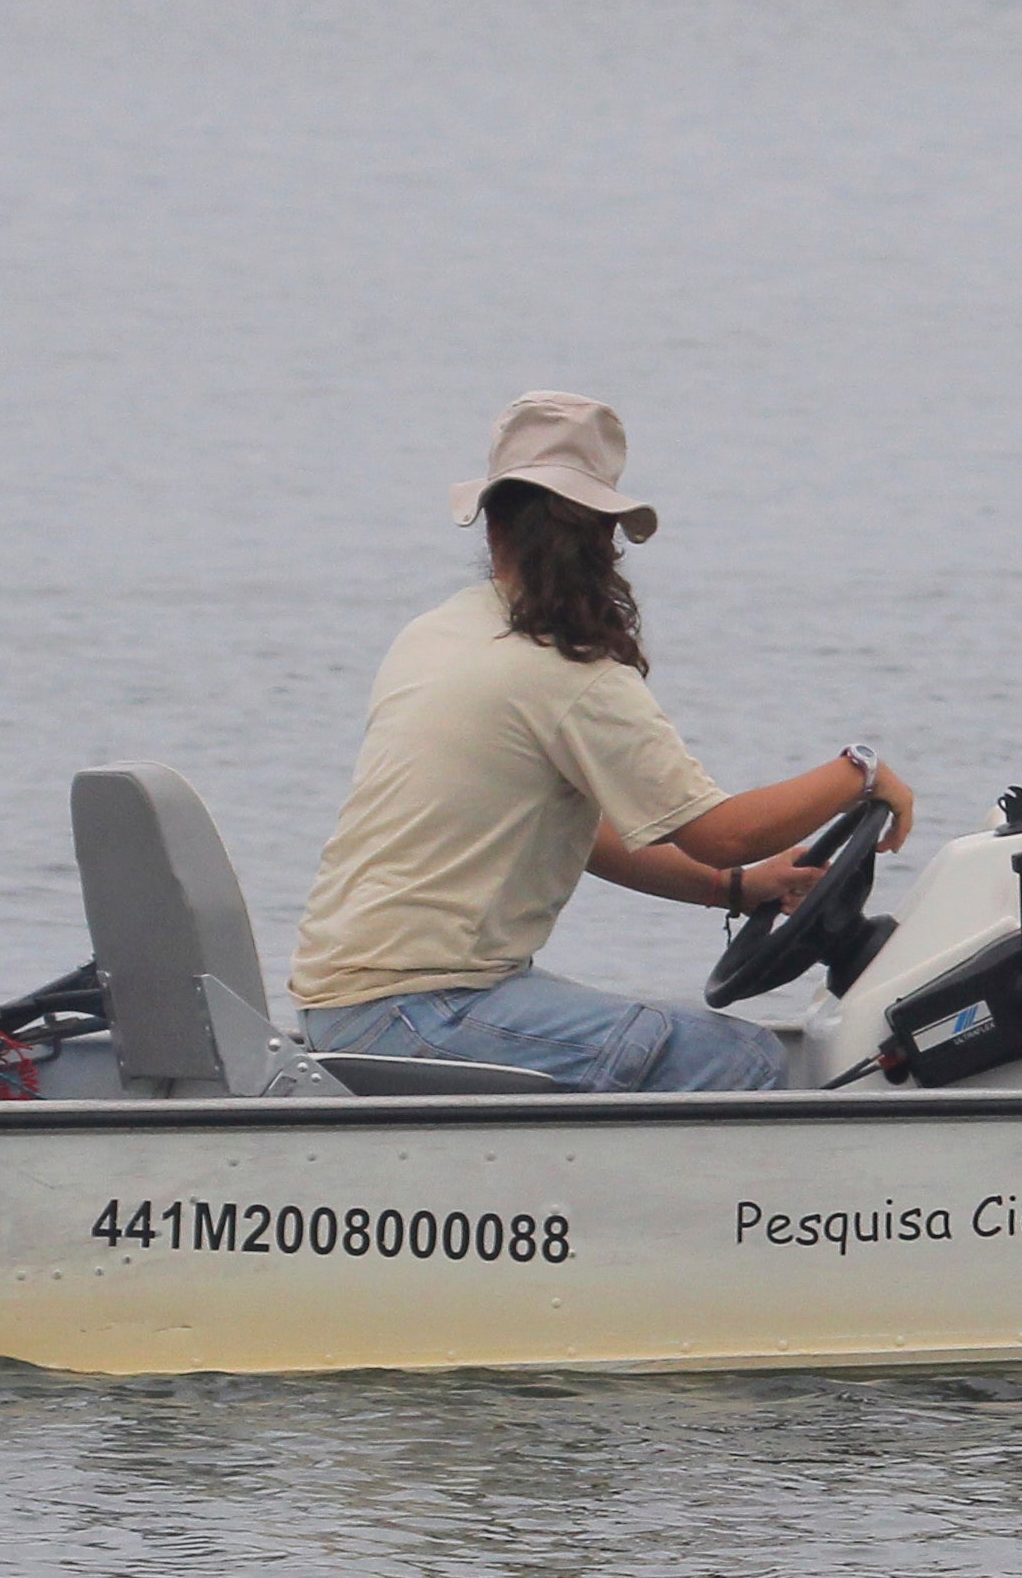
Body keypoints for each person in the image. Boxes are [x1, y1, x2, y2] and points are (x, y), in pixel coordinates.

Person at [285, 392, 917, 1092]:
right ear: (606, 539)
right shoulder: (565, 672)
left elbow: (582, 837)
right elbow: (725, 833)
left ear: (493, 524)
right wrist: (862, 773)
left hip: (343, 1008)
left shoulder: (437, 635)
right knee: (742, 1060)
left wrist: (733, 890)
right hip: (419, 1009)